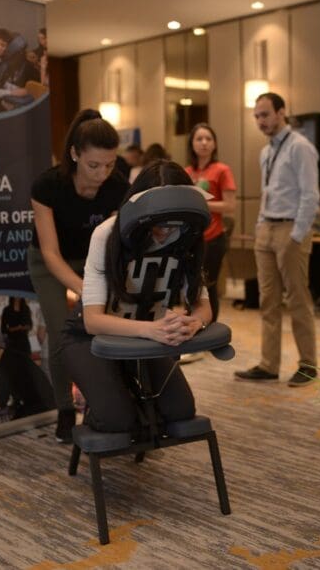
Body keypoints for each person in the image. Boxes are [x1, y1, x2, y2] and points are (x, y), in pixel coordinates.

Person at [58, 161, 210, 433]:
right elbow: (93, 321)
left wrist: (194, 323)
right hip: (90, 338)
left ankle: (121, 391)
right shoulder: (107, 234)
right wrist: (152, 330)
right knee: (118, 421)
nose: (166, 230)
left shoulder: (186, 235)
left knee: (180, 411)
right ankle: (108, 393)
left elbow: (202, 306)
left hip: (146, 335)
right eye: (159, 221)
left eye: (173, 222)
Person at [28, 110, 129, 442]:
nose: (102, 174)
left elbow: (113, 243)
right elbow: (51, 254)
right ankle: (65, 409)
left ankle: (102, 405)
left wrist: (103, 287)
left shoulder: (116, 185)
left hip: (94, 258)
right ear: (74, 154)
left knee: (104, 329)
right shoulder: (47, 185)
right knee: (63, 335)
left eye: (109, 164)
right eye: (93, 165)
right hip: (49, 262)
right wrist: (84, 290)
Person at [235, 92, 320, 387]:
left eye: (265, 114)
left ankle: (308, 364)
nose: (260, 121)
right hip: (267, 229)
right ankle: (269, 364)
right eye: (257, 116)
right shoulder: (266, 151)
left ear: (282, 112)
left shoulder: (300, 147)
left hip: (290, 230)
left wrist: (296, 235)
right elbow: (268, 191)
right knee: (267, 300)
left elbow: (311, 196)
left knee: (298, 299)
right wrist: (260, 224)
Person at [184, 123, 237, 322]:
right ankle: (191, 328)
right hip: (190, 238)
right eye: (199, 139)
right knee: (190, 285)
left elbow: (230, 206)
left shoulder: (222, 170)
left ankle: (209, 330)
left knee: (208, 286)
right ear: (192, 144)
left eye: (208, 139)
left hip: (213, 238)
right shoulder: (187, 171)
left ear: (214, 144)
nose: (204, 143)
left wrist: (202, 205)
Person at [0, 297, 48, 417]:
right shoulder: (7, 310)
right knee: (14, 373)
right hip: (12, 344)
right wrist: (15, 328)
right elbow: (3, 329)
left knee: (26, 372)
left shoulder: (26, 309)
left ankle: (29, 399)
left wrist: (23, 328)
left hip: (24, 344)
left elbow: (29, 325)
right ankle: (17, 401)